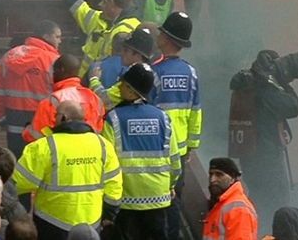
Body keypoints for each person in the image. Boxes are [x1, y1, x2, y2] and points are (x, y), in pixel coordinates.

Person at [11, 100, 123, 240]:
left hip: (51, 224)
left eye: (56, 116)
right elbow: (114, 186)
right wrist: (108, 215)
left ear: (63, 118)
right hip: (90, 224)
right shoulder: (103, 146)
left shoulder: (44, 147)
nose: (53, 120)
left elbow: (18, 182)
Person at [101, 63, 181, 240]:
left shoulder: (113, 119)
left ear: (131, 91)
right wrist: (171, 186)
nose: (119, 87)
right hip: (158, 199)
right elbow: (175, 162)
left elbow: (106, 162)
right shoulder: (163, 118)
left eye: (122, 84)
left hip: (126, 201)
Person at [230, 50, 298, 234]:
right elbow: (294, 106)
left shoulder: (245, 82)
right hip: (267, 159)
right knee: (279, 203)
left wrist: (268, 78)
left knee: (258, 198)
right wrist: (280, 82)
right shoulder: (266, 93)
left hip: (248, 157)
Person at [149, 12, 201, 240]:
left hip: (157, 149)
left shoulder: (154, 72)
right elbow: (195, 112)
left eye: (162, 32)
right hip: (179, 151)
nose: (158, 34)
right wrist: (191, 146)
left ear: (168, 40)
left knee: (156, 201)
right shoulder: (190, 73)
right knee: (174, 200)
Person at [47, 0, 141, 77]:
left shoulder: (125, 30)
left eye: (105, 2)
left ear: (113, 5)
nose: (101, 4)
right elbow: (78, 6)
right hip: (89, 81)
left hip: (103, 83)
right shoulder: (99, 19)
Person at [0, 20, 61, 160]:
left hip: (13, 118)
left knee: (17, 160)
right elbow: (61, 95)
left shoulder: (9, 56)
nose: (60, 41)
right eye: (57, 37)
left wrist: (0, 119)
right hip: (42, 120)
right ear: (46, 36)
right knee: (40, 161)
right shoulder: (53, 60)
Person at [22, 54, 105, 143]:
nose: (52, 76)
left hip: (59, 153)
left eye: (54, 71)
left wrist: (27, 130)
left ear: (61, 70)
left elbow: (34, 137)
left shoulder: (51, 102)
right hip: (89, 153)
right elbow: (98, 130)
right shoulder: (95, 99)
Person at [88, 26, 155, 110]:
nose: (121, 53)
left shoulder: (133, 78)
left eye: (126, 50)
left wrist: (94, 79)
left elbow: (103, 98)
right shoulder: (151, 73)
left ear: (138, 56)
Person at [202, 157, 257, 239]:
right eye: (211, 174)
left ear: (232, 179)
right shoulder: (221, 204)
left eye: (219, 175)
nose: (212, 179)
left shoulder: (238, 209)